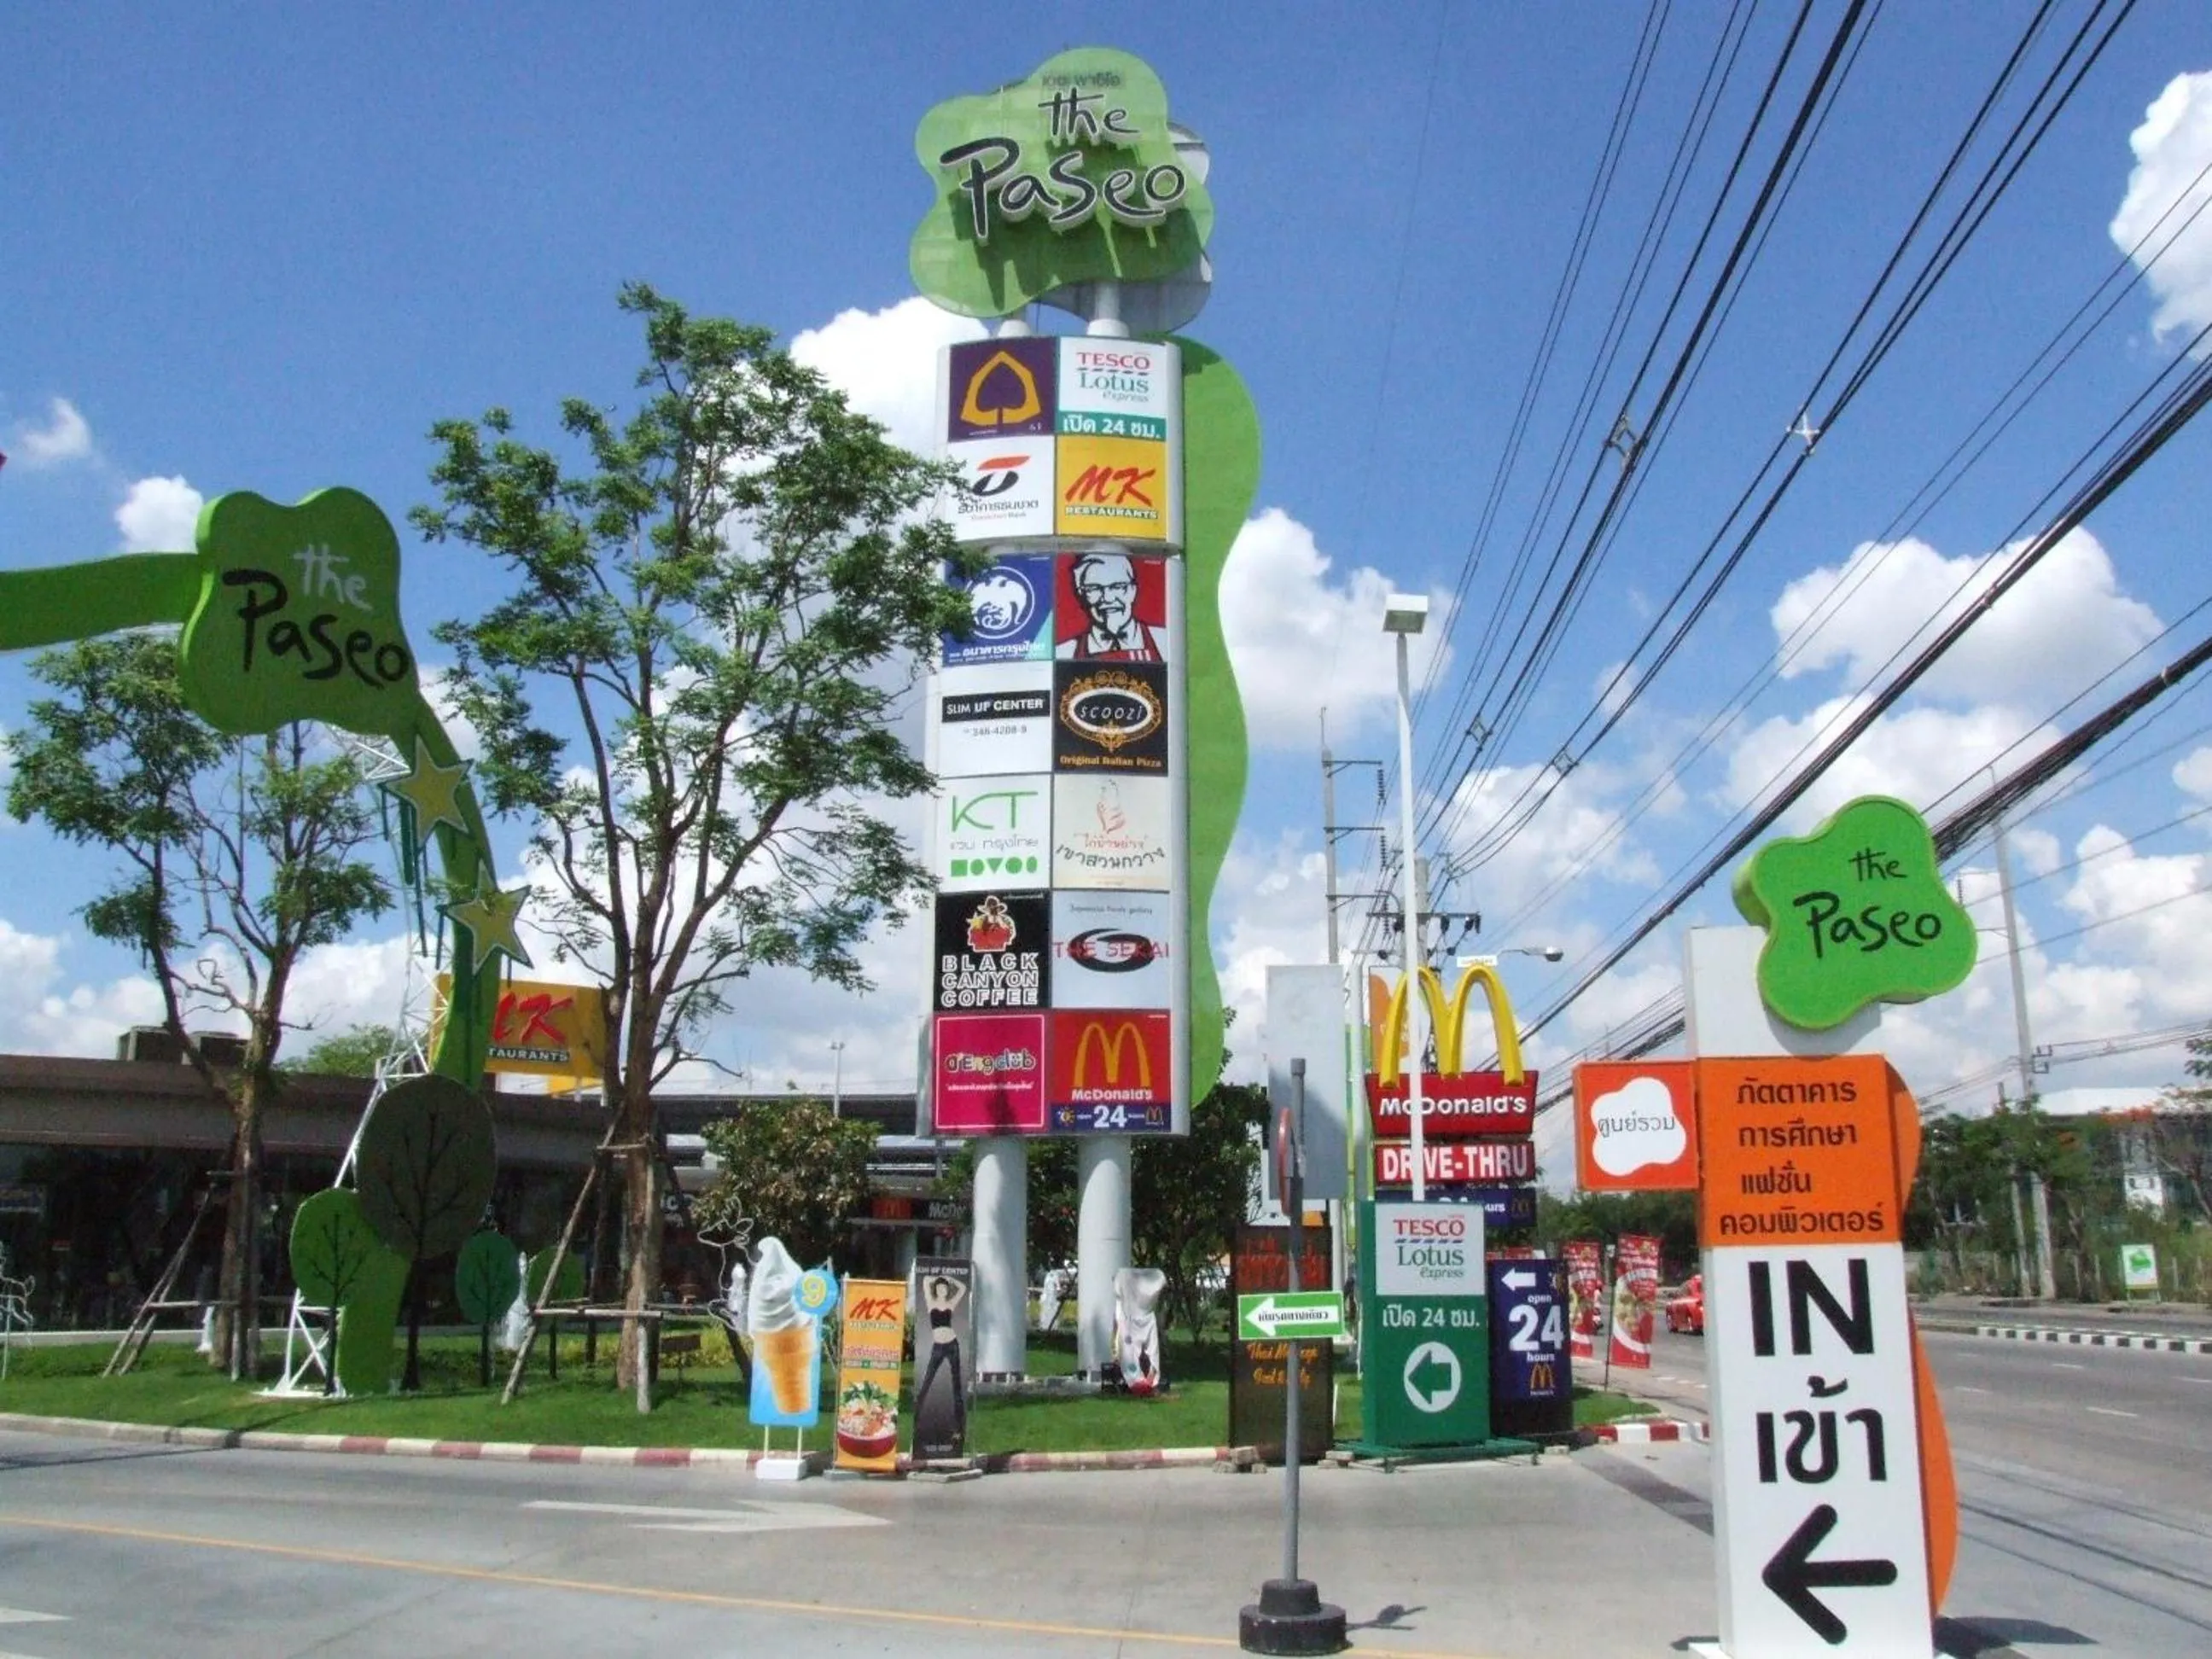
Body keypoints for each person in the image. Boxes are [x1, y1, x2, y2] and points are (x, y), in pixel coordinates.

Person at [1056, 552, 1166, 661]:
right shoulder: (1064, 652)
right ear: (1081, 594)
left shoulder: (1164, 641)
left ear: (1133, 590)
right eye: (1094, 588)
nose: (1108, 598)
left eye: (1117, 587)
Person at [916, 1272, 968, 1442]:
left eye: (945, 1288)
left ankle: (958, 1429)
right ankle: (917, 1421)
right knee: (927, 1381)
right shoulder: (931, 1302)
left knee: (956, 1386)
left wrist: (950, 1280)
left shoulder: (950, 1303)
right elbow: (925, 1281)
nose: (942, 1290)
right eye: (939, 1288)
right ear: (936, 1290)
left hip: (952, 1345)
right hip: (938, 1346)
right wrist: (940, 1278)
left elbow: (962, 1288)